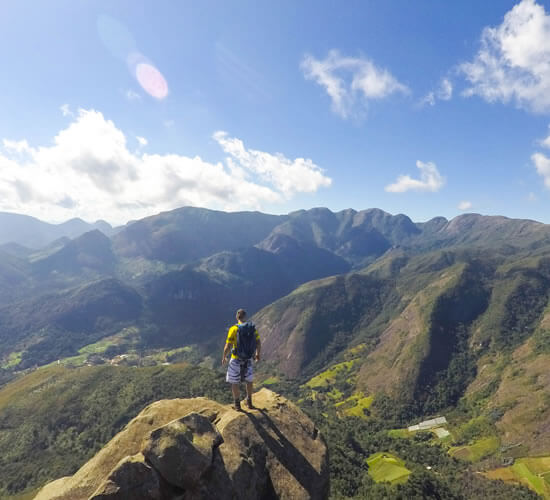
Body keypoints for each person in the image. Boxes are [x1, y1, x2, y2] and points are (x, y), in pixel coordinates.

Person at [222, 308, 261, 411]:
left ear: (237, 317)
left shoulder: (233, 329)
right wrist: (257, 354)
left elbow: (228, 345)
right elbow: (258, 342)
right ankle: (249, 402)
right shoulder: (252, 328)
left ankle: (237, 405)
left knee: (234, 382)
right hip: (248, 359)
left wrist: (224, 356)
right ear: (245, 317)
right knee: (249, 381)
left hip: (235, 359)